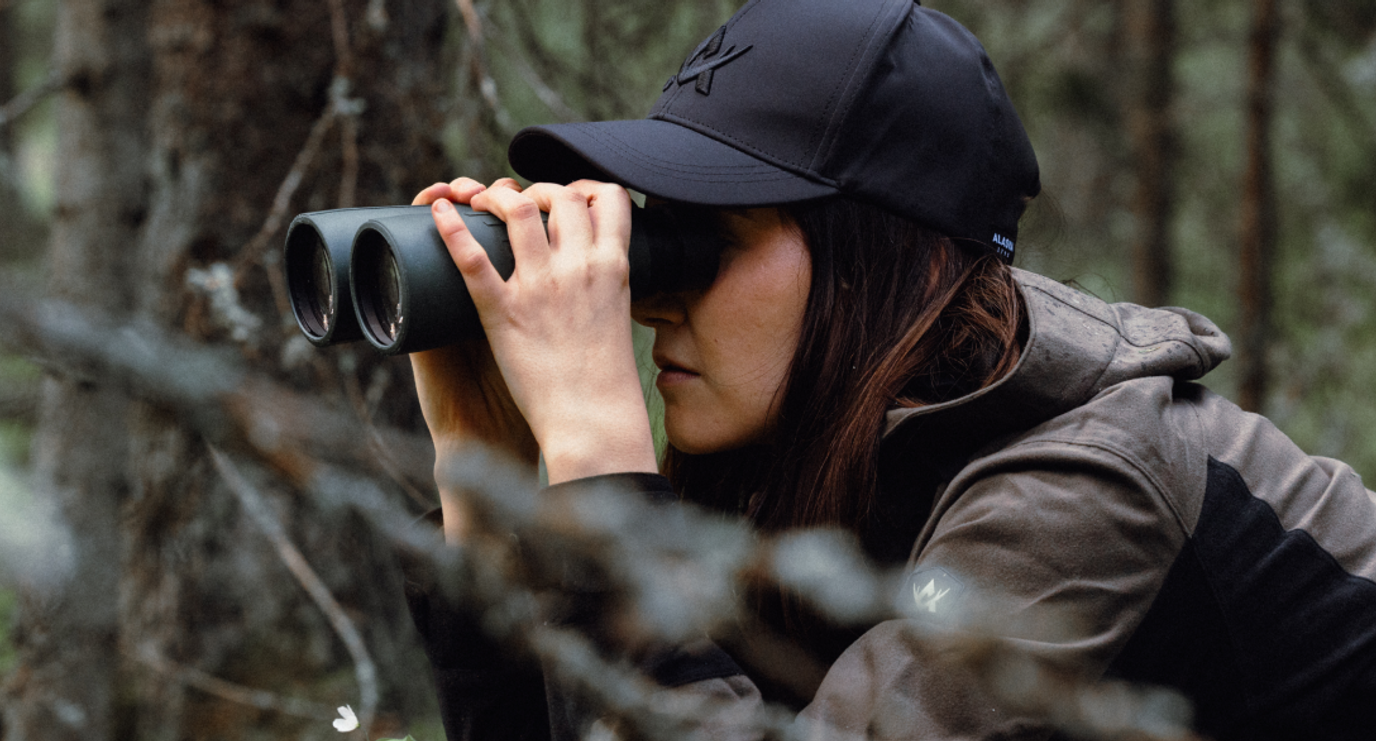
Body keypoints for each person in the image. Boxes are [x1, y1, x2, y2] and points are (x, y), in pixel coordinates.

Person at [397, 0, 1376, 739]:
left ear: (880, 269)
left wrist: (597, 457)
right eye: (661, 239)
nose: (650, 301)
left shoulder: (1081, 489)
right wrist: (487, 495)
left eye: (711, 242)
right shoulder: (818, 457)